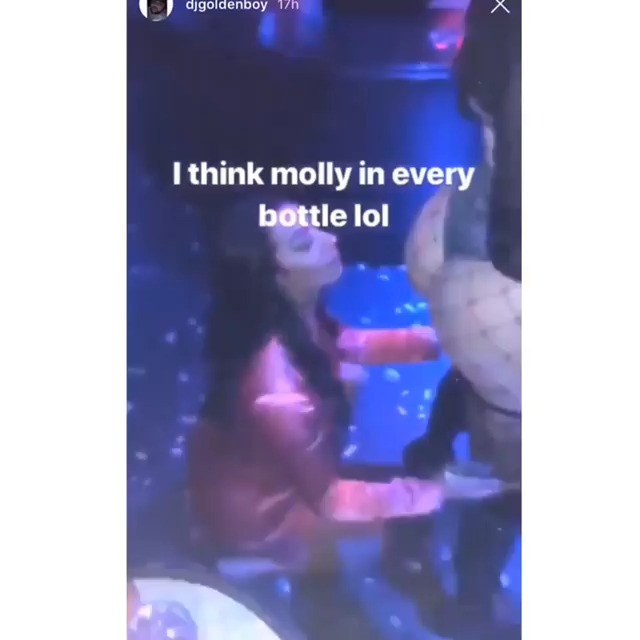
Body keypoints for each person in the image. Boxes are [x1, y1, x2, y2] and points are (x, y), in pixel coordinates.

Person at [186, 196, 446, 639]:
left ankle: (319, 580)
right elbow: (332, 499)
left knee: (404, 495)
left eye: (316, 227)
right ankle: (300, 581)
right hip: (264, 514)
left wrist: (441, 337)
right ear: (275, 277)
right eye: (305, 243)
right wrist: (437, 489)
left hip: (266, 475)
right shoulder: (276, 388)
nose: (331, 239)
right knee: (405, 510)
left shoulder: (295, 319)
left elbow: (348, 342)